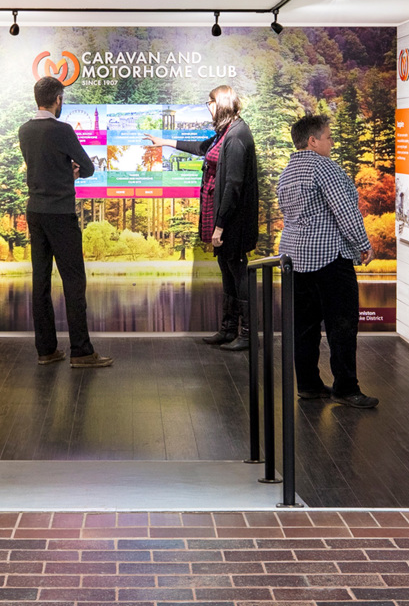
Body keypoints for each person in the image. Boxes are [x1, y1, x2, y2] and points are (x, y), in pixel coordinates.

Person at [276, 113, 379, 409]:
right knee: (342, 326)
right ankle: (346, 388)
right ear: (313, 140)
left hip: (294, 257)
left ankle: (308, 385)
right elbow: (345, 211)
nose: (332, 142)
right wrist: (363, 244)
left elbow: (289, 214)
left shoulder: (288, 171)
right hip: (330, 257)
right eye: (329, 137)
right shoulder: (325, 168)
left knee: (304, 326)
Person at [145, 84, 259, 350]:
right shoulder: (224, 134)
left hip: (233, 222)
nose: (207, 108)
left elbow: (233, 185)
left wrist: (220, 226)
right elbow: (201, 148)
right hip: (223, 217)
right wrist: (166, 142)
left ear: (221, 104)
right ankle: (228, 329)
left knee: (238, 274)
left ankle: (246, 335)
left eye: (210, 103)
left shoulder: (237, 136)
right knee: (228, 273)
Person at [17, 76, 112, 368]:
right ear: (58, 99)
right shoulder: (63, 130)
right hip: (60, 213)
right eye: (63, 99)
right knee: (73, 282)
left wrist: (61, 171)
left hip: (36, 212)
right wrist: (73, 173)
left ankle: (46, 350)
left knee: (40, 281)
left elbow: (42, 166)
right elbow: (88, 166)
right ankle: (81, 352)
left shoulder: (24, 130)